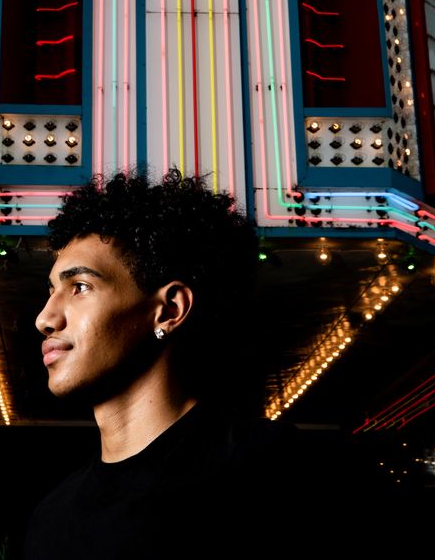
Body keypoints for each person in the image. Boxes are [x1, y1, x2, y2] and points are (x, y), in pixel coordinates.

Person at [23, 169, 322, 558]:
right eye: (51, 290)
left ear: (169, 309)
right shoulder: (51, 516)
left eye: (80, 287)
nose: (44, 319)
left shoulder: (271, 470)